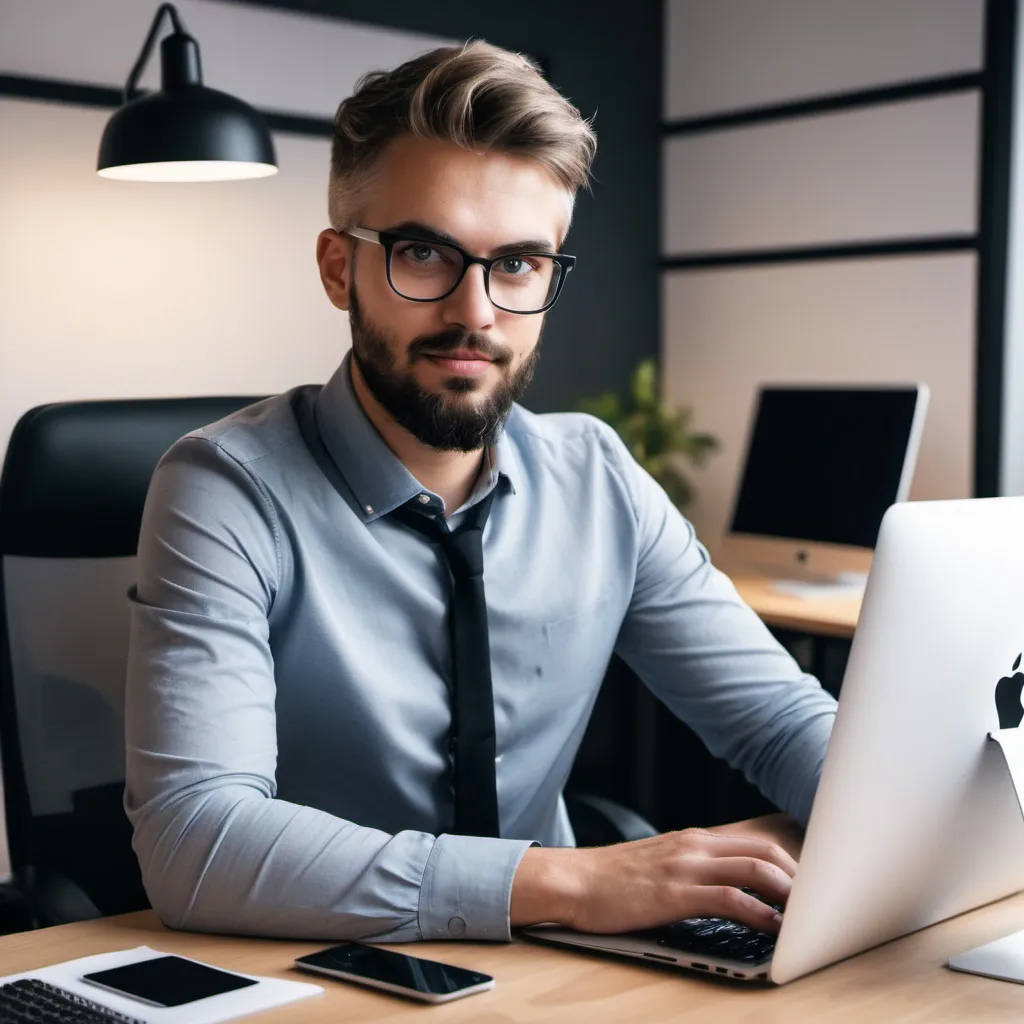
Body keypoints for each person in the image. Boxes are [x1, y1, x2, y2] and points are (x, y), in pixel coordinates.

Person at [124, 40, 837, 945]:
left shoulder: (598, 478)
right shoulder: (222, 491)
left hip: (557, 976)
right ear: (339, 266)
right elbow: (199, 840)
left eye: (519, 264)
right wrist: (565, 882)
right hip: (321, 974)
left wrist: (925, 810)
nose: (476, 312)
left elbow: (779, 721)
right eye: (425, 254)